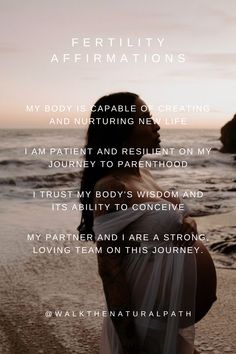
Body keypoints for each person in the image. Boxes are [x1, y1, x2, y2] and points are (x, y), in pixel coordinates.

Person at [78, 92, 217, 354]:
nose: (156, 125)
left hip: (161, 320)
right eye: (146, 118)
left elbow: (167, 219)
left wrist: (188, 223)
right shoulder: (112, 186)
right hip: (143, 323)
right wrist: (131, 345)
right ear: (122, 129)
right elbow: (110, 272)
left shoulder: (144, 175)